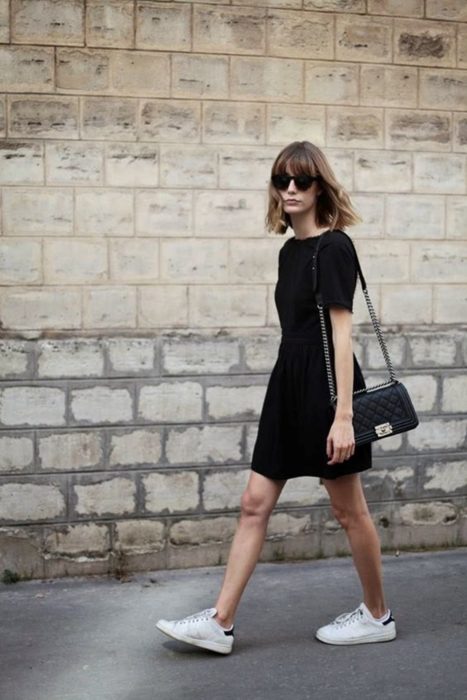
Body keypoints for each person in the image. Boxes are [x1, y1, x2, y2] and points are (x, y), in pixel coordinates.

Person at [156, 141, 396, 654]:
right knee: (253, 504)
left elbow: (342, 333)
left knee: (348, 511)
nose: (290, 189)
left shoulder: (335, 247)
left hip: (329, 389)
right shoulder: (290, 251)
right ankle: (220, 623)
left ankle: (378, 615)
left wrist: (344, 416)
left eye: (301, 181)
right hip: (288, 381)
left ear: (319, 188)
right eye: (281, 180)